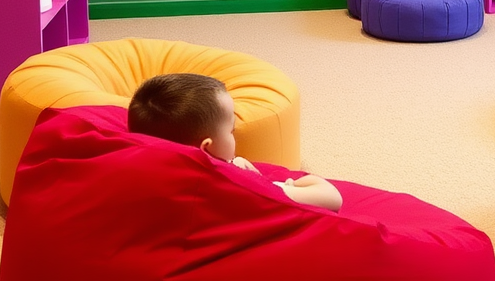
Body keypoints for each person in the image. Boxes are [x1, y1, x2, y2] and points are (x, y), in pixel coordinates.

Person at [127, 72, 342, 211]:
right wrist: (292, 184)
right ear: (206, 148)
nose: (235, 135)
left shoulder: (147, 176)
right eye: (231, 130)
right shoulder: (236, 184)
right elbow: (332, 198)